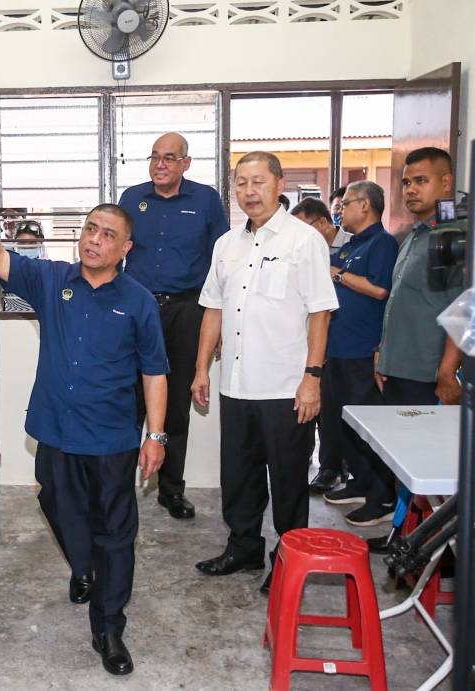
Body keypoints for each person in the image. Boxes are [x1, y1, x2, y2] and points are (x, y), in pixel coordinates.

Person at [0, 189, 169, 676]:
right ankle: (83, 567)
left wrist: (156, 435)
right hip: (56, 429)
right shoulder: (52, 279)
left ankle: (108, 627)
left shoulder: (139, 302)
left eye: (108, 235)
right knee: (56, 504)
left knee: (116, 533)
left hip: (111, 438)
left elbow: (154, 372)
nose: (94, 241)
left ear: (125, 249)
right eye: (90, 230)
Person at [190, 151, 338, 595]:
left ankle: (289, 559)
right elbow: (212, 309)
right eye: (241, 184)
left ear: (279, 184)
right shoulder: (226, 245)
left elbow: (320, 314)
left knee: (289, 479)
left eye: (257, 182)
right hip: (236, 384)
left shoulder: (303, 241)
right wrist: (201, 369)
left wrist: (312, 377)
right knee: (239, 474)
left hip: (285, 386)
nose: (249, 192)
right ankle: (244, 547)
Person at [118, 131, 229, 520]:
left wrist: (219, 326)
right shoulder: (132, 199)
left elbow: (223, 263)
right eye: (154, 157)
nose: (160, 165)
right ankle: (118, 489)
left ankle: (171, 490)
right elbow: (116, 255)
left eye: (169, 158)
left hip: (187, 311)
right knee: (129, 401)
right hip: (138, 310)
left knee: (177, 404)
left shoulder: (205, 200)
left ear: (185, 163)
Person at [361, 147, 465, 534]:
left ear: (446, 183)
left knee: (428, 466)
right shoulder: (415, 235)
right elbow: (401, 306)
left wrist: (447, 372)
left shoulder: (456, 238)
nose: (410, 190)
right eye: (406, 182)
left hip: (429, 373)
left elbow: (464, 308)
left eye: (420, 181)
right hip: (400, 368)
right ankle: (404, 538)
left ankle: (430, 548)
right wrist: (382, 356)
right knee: (405, 462)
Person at [312, 181, 400, 525]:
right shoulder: (351, 245)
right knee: (343, 424)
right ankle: (359, 483)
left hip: (363, 351)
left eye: (345, 204)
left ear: (365, 205)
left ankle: (381, 497)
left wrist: (338, 274)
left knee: (368, 426)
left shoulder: (382, 243)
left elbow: (380, 290)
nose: (339, 210)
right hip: (337, 350)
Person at [290, 197, 356, 493]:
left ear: (322, 223)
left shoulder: (352, 247)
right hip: (314, 343)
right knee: (319, 411)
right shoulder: (302, 249)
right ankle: (319, 464)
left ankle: (341, 470)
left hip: (347, 343)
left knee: (340, 411)